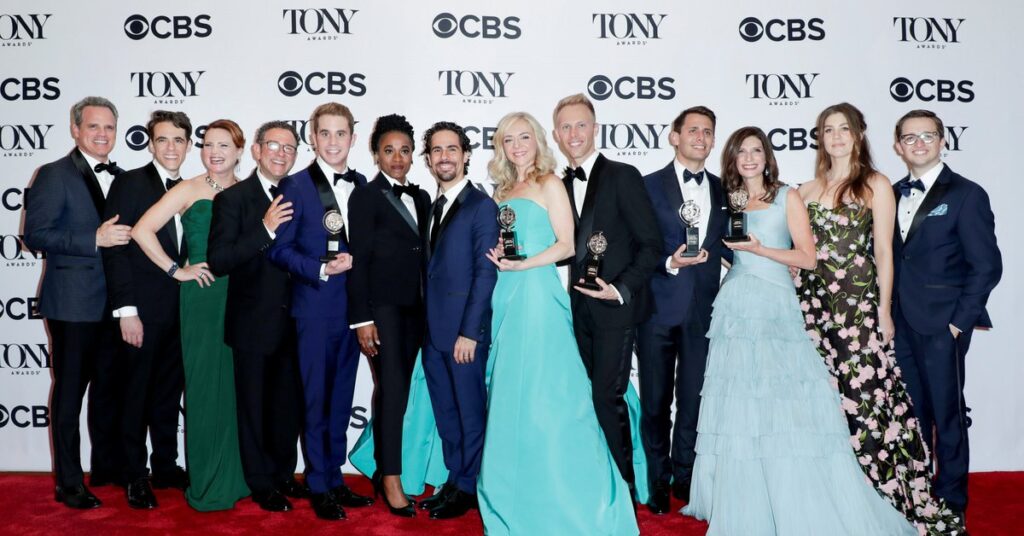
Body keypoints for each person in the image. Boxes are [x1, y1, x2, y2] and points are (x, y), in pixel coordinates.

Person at [681, 126, 916, 535]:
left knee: (784, 404)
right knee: (740, 405)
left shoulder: (787, 195)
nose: (749, 158)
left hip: (775, 307)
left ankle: (792, 498)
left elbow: (808, 258)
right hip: (735, 307)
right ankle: (746, 501)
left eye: (756, 150)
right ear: (732, 159)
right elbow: (730, 254)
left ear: (767, 157)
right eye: (741, 152)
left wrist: (761, 249)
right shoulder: (729, 201)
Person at [795, 103, 965, 533]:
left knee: (868, 403)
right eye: (828, 129)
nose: (836, 136)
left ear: (858, 135)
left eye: (844, 128)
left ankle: (884, 494)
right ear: (820, 137)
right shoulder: (806, 190)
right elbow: (801, 253)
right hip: (814, 311)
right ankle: (833, 497)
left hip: (858, 310)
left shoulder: (875, 184)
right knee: (826, 403)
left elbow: (885, 253)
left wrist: (884, 311)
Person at [479, 111, 638, 535]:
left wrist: (526, 263)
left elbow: (567, 246)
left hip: (537, 294)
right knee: (510, 395)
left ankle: (566, 493)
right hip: (506, 292)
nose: (517, 146)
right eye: (508, 139)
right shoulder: (501, 190)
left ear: (538, 140)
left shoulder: (550, 183)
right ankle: (515, 491)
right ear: (500, 146)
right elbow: (507, 240)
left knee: (547, 395)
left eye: (524, 137)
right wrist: (503, 256)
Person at [130, 119, 250, 511]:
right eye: (208, 145)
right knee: (203, 388)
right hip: (202, 297)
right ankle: (208, 481)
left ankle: (236, 476)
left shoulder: (248, 191)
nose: (214, 152)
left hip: (241, 297)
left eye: (223, 145)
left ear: (239, 150)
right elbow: (142, 230)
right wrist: (175, 270)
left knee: (235, 390)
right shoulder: (189, 188)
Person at [891, 109, 1002, 518]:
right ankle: (917, 496)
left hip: (943, 325)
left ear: (942, 141)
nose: (919, 143)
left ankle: (952, 502)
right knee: (911, 414)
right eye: (910, 137)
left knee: (948, 415)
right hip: (899, 322)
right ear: (898, 146)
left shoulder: (967, 194)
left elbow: (987, 266)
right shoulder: (890, 192)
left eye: (927, 135)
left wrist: (959, 322)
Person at [267, 103, 374, 520]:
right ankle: (318, 484)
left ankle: (335, 478)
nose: (333, 141)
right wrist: (321, 269)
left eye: (340, 133)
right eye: (324, 133)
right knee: (315, 400)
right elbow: (279, 250)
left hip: (355, 312)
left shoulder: (362, 184)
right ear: (313, 137)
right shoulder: (294, 185)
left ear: (353, 137)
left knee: (341, 399)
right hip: (313, 309)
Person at [553, 94, 663, 498]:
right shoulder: (559, 184)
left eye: (581, 125)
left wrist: (619, 289)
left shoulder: (622, 175)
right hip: (577, 309)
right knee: (588, 398)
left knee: (607, 396)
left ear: (596, 128)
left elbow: (651, 245)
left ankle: (624, 490)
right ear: (556, 134)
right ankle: (598, 484)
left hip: (616, 309)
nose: (574, 134)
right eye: (566, 127)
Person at [24, 96, 130, 509]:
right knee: (69, 395)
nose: (102, 134)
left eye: (109, 127)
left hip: (114, 305)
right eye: (93, 126)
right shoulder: (53, 174)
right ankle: (68, 481)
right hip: (72, 304)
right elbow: (36, 235)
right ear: (75, 129)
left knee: (108, 390)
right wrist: (93, 239)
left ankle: (106, 467)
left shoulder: (122, 178)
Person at [206, 121, 306, 513]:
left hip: (296, 321)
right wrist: (264, 229)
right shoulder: (233, 199)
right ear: (257, 151)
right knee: (253, 408)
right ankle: (261, 483)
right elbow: (219, 260)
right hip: (252, 322)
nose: (282, 154)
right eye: (274, 146)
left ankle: (284, 474)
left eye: (289, 147)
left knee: (287, 407)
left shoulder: (301, 194)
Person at [637, 106, 729, 514]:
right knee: (655, 401)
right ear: (674, 137)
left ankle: (685, 474)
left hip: (705, 310)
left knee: (693, 399)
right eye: (692, 130)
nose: (700, 137)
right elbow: (636, 246)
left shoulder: (726, 190)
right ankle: (658, 479)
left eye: (707, 131)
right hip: (657, 308)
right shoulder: (647, 186)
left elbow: (733, 245)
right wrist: (669, 262)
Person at [101, 110, 192, 509]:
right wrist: (126, 310)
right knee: (135, 394)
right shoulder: (130, 183)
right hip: (141, 311)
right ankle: (134, 475)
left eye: (178, 140)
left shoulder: (193, 188)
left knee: (168, 394)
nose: (171, 147)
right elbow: (116, 250)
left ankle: (166, 466)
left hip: (181, 313)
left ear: (188, 145)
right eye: (163, 139)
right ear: (151, 144)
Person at [347, 114, 430, 517]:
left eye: (404, 150)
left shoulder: (424, 197)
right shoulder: (365, 196)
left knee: (403, 393)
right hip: (383, 311)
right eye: (389, 150)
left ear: (413, 155)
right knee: (393, 389)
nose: (397, 158)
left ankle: (389, 466)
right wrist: (362, 319)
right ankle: (391, 478)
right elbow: (359, 261)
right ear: (376, 154)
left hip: (418, 311)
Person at [415, 121, 498, 519]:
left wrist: (470, 332)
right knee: (447, 415)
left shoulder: (482, 206)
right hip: (432, 334)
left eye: (452, 149)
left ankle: (468, 487)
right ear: (429, 159)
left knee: (470, 413)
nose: (444, 156)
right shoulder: (433, 206)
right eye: (436, 150)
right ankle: (453, 478)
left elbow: (486, 273)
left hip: (463, 334)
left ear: (466, 155)